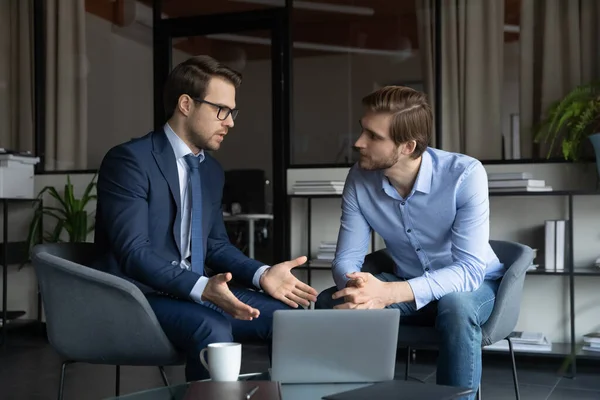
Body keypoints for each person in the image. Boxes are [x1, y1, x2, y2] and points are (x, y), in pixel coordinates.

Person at [93, 55, 317, 382]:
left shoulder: (210, 170)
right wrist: (203, 288)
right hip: (139, 296)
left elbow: (214, 244)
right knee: (212, 325)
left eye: (232, 112)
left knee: (288, 318)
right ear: (186, 104)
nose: (230, 122)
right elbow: (134, 253)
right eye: (221, 111)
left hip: (193, 290)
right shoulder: (129, 161)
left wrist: (262, 273)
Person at [315, 86, 505, 399]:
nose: (358, 142)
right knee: (332, 300)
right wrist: (361, 288)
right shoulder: (359, 179)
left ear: (407, 146)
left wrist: (387, 293)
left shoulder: (464, 174)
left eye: (373, 136)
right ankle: (354, 393)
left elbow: (470, 270)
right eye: (363, 130)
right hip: (408, 282)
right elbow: (347, 257)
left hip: (475, 287)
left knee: (455, 305)